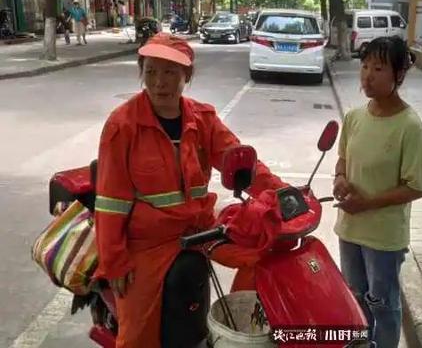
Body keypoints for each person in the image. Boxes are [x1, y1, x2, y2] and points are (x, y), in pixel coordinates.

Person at [93, 32, 286, 347]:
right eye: (151, 71)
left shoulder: (203, 119)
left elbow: (243, 165)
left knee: (259, 258)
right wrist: (114, 261)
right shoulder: (123, 125)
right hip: (147, 245)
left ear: (187, 75)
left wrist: (284, 195)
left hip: (200, 232)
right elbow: (111, 202)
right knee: (137, 336)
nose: (159, 82)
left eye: (170, 72)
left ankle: (240, 332)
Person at [332, 36, 422, 348]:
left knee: (383, 305)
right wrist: (339, 179)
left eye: (378, 68)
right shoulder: (354, 117)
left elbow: (417, 185)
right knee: (354, 297)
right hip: (350, 229)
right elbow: (343, 158)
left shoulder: (410, 126)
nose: (367, 76)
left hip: (384, 238)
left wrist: (368, 204)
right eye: (364, 66)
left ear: (399, 75)